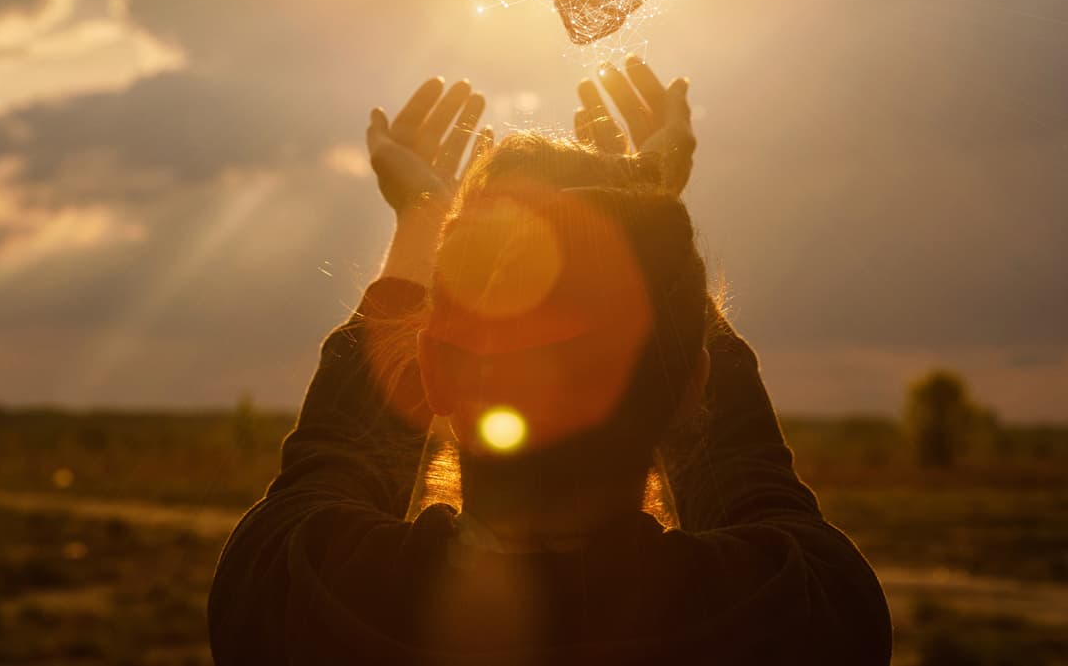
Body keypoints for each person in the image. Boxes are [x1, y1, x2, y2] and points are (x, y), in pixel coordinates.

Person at [209, 57, 891, 665]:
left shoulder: (297, 596)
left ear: (432, 371)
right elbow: (751, 473)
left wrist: (425, 214)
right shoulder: (805, 612)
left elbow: (334, 455)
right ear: (693, 390)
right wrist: (648, 215)